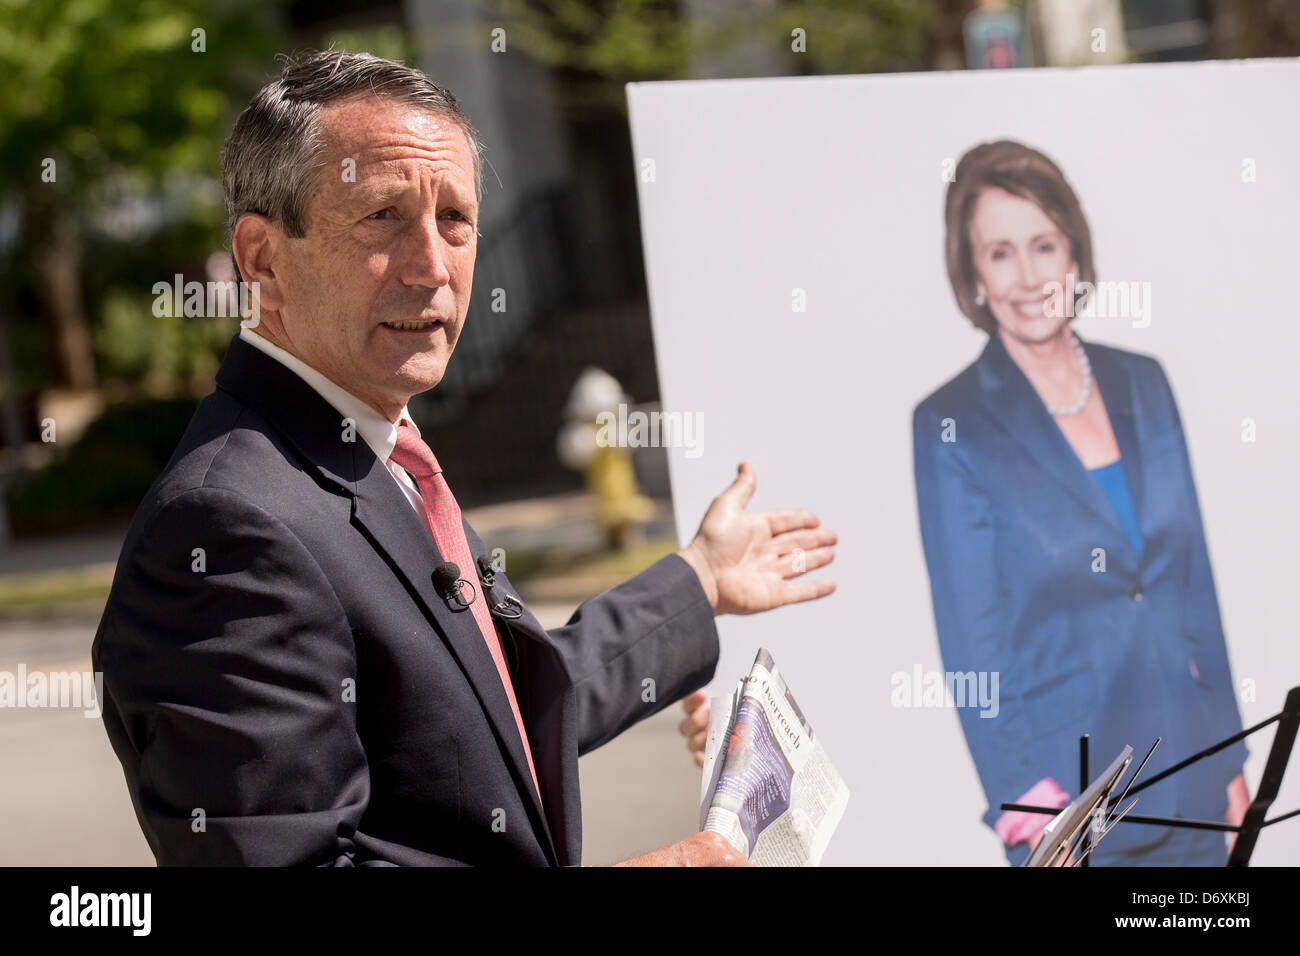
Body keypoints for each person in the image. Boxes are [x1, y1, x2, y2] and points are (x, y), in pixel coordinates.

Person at [91, 50, 837, 867]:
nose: (434, 266)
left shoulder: (377, 454)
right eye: (382, 215)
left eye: (456, 219)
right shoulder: (225, 524)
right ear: (264, 260)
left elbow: (490, 710)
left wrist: (697, 580)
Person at [909, 139, 1249, 865]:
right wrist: (1033, 818)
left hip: (1195, 781)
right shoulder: (952, 425)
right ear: (972, 274)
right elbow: (974, 645)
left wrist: (1231, 762)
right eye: (999, 253)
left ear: (1076, 254)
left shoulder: (1145, 384)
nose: (1028, 275)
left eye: (1043, 245)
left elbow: (1195, 592)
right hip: (1073, 813)